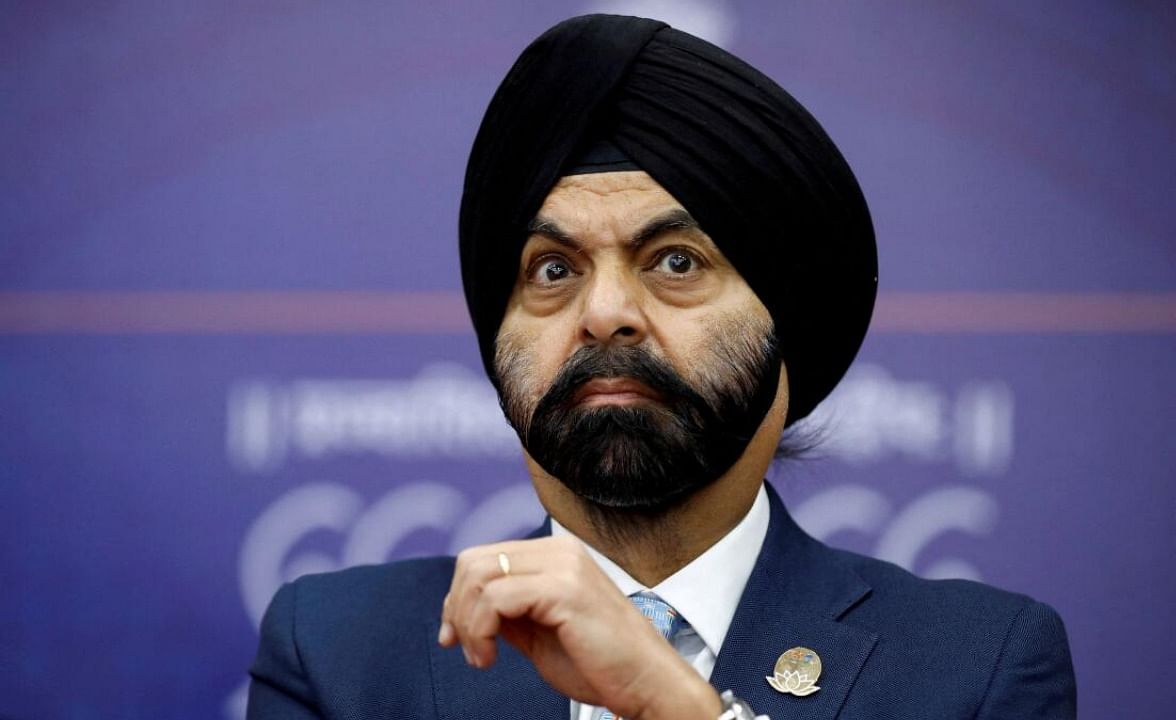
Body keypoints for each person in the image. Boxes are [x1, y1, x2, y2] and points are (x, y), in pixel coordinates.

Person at [248, 14, 1076, 720]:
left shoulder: (977, 667)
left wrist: (668, 701)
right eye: (552, 270)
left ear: (786, 320)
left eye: (675, 262)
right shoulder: (338, 652)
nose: (604, 312)